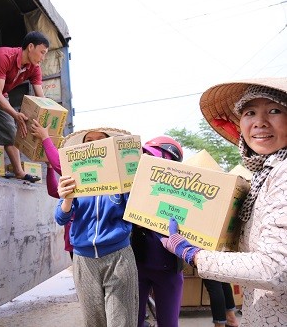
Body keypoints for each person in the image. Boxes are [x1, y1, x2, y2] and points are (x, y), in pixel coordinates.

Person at [161, 77, 287, 326]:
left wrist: (194, 254)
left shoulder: (283, 173)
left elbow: (275, 267)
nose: (260, 122)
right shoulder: (267, 173)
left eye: (274, 110)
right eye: (250, 112)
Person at [55, 127, 138, 327]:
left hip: (118, 257)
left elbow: (137, 212)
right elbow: (60, 218)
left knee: (122, 322)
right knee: (94, 322)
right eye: (89, 140)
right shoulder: (73, 179)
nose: (94, 143)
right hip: (84, 260)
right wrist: (66, 199)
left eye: (101, 140)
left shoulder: (122, 179)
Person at [0, 31, 50, 183]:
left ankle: (19, 172)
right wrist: (16, 114)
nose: (43, 58)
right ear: (30, 47)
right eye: (42, 52)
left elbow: (41, 97)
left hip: (2, 92)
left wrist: (48, 116)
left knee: (11, 129)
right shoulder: (4, 57)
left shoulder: (34, 68)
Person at [131, 136, 185, 327]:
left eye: (153, 157)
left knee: (169, 323)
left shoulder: (187, 196)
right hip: (138, 266)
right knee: (133, 321)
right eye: (145, 156)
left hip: (169, 270)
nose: (148, 161)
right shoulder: (133, 187)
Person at [30, 119, 75, 259]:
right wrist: (49, 167)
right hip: (75, 244)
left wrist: (45, 137)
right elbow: (54, 192)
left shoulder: (88, 177)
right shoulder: (74, 185)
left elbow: (61, 166)